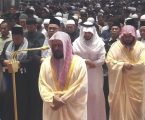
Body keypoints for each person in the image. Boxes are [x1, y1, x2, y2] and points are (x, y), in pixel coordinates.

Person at [38, 31, 88, 120]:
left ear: (67, 46)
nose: (56, 48)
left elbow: (81, 86)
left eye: (60, 45)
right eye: (54, 45)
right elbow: (42, 85)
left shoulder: (79, 63)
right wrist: (52, 98)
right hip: (52, 106)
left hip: (72, 109)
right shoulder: (45, 63)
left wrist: (63, 99)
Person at [106, 25, 145, 120]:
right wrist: (122, 65)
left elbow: (143, 63)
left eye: (130, 37)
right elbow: (109, 61)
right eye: (125, 37)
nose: (127, 39)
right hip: (119, 85)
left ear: (134, 36)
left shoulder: (141, 46)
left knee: (138, 111)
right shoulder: (115, 47)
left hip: (136, 87)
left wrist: (131, 67)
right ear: (122, 36)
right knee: (119, 108)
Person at [73, 21, 106, 120]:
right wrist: (85, 61)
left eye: (89, 32)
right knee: (81, 96)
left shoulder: (99, 43)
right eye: (85, 32)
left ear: (93, 32)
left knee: (95, 96)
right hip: (80, 72)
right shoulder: (76, 42)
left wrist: (94, 63)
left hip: (95, 74)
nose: (87, 34)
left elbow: (102, 58)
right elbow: (72, 57)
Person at [0, 24, 34, 120]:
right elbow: (1, 57)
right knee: (8, 100)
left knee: (21, 101)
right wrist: (4, 61)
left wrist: (19, 63)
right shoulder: (8, 44)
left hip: (23, 79)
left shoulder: (29, 45)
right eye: (14, 38)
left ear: (22, 37)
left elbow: (31, 60)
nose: (16, 40)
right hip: (8, 77)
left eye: (18, 38)